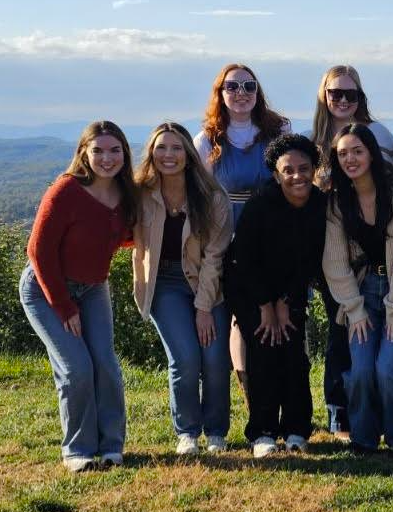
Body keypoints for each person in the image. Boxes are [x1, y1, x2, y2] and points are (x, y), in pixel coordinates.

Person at [19, 120, 137, 472]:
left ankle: (112, 446)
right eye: (98, 150)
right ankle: (78, 450)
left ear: (124, 154)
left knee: (106, 366)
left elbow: (125, 236)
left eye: (115, 150)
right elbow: (38, 252)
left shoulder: (127, 193)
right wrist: (63, 305)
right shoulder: (65, 191)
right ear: (84, 152)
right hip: (46, 290)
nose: (106, 158)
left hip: (94, 288)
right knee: (77, 368)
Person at [310, 64, 393, 440]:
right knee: (340, 329)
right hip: (330, 251)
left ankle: (376, 414)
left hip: (376, 251)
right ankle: (340, 412)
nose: (343, 101)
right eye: (336, 94)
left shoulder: (379, 133)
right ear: (324, 96)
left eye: (351, 94)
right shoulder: (312, 139)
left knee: (373, 339)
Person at [323, 124, 393, 455]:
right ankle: (364, 439)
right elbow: (335, 263)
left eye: (357, 151)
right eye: (342, 154)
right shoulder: (338, 205)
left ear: (371, 153)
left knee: (389, 371)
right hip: (361, 294)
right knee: (362, 371)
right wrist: (354, 309)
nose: (350, 159)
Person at [193, 63, 291, 411]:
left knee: (286, 315)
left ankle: (287, 395)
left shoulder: (278, 131)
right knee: (242, 319)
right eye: (232, 86)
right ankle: (253, 397)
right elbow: (198, 194)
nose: (241, 93)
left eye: (249, 86)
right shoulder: (207, 141)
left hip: (274, 233)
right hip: (229, 236)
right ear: (220, 93)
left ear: (258, 92)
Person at [132, 122, 233, 455]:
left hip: (209, 281)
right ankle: (187, 432)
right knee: (186, 358)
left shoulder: (213, 196)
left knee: (216, 359)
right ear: (151, 153)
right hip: (164, 283)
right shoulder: (141, 194)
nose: (168, 155)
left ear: (189, 155)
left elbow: (216, 256)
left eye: (176, 148)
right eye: (161, 147)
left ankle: (216, 431)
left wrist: (204, 307)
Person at [223, 134, 326, 457]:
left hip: (290, 289)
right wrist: (266, 305)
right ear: (276, 174)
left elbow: (310, 260)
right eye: (288, 170)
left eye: (304, 168)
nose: (297, 176)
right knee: (264, 351)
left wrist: (286, 301)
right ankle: (262, 432)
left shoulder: (320, 205)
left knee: (294, 354)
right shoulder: (261, 205)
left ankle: (297, 429)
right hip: (249, 288)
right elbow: (244, 261)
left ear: (314, 169)